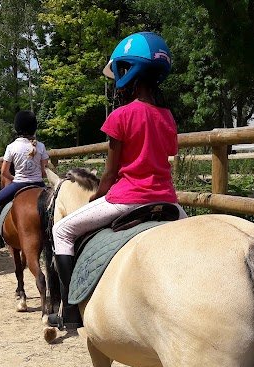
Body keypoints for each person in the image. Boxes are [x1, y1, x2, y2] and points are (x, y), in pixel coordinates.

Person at [49, 31, 187, 330]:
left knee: (62, 230)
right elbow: (166, 155)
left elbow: (110, 174)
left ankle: (72, 309)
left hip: (127, 198)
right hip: (167, 200)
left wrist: (97, 196)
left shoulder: (121, 116)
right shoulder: (167, 117)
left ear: (128, 71)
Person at [0, 110, 49, 250]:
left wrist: (15, 178)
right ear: (34, 127)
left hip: (19, 184)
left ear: (17, 128)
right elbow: (45, 172)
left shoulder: (12, 147)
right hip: (39, 184)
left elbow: (4, 172)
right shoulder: (40, 146)